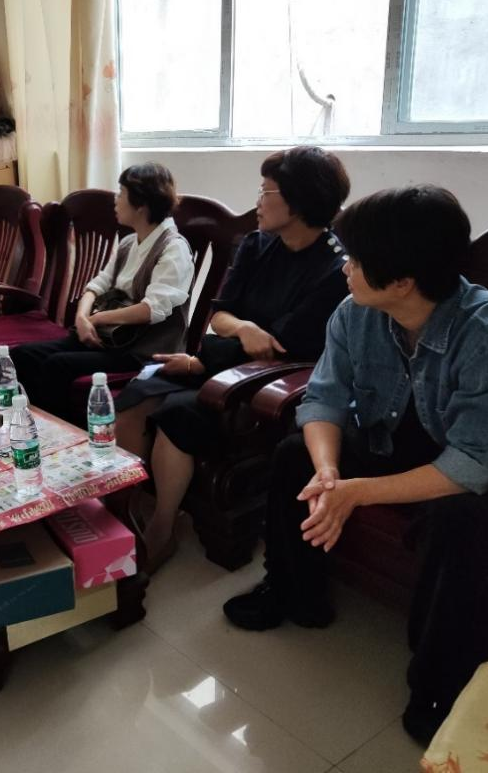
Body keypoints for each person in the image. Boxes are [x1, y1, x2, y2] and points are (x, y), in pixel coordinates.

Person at [221, 186, 488, 744]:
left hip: (464, 470)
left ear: (403, 281)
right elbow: (324, 398)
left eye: (357, 259)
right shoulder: (355, 313)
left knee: (462, 522)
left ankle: (439, 679)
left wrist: (357, 491)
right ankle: (292, 590)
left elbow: (472, 464)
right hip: (391, 436)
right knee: (295, 454)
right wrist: (328, 472)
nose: (345, 267)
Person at [114, 147, 351, 573]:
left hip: (271, 383)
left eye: (266, 192)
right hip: (224, 360)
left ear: (298, 201)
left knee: (178, 411)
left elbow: (281, 346)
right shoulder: (257, 244)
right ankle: (124, 513)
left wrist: (201, 363)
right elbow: (220, 315)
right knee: (135, 396)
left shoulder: (335, 269)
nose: (257, 201)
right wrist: (242, 328)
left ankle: (163, 529)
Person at [11, 162, 194, 422]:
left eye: (121, 194)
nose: (115, 201)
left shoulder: (173, 249)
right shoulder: (129, 243)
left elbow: (152, 309)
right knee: (23, 355)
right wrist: (82, 318)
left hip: (140, 351)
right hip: (109, 338)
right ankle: (37, 426)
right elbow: (97, 284)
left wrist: (96, 319)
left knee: (57, 365)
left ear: (141, 204)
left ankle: (65, 433)